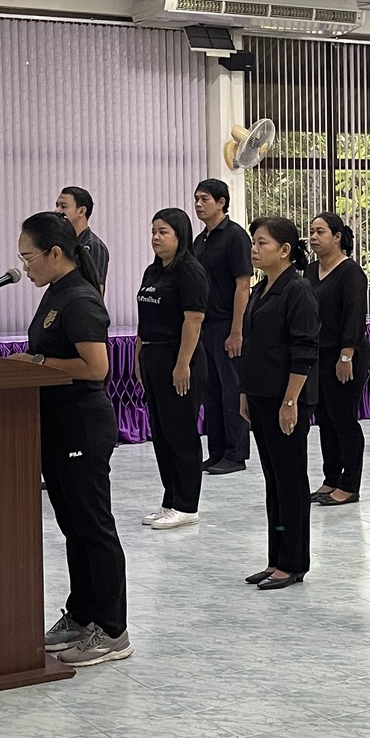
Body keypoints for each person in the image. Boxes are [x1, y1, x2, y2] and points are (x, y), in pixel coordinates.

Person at [17, 211, 129, 667]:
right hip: (56, 423)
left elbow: (96, 368)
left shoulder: (79, 297)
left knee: (94, 525)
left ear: (55, 253)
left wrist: (37, 364)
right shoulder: (55, 292)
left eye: (28, 257)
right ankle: (82, 615)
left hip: (81, 423)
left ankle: (113, 630)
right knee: (73, 527)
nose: (25, 267)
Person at [239, 217, 320, 589]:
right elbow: (254, 346)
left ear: (285, 250)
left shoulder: (297, 290)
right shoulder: (261, 289)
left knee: (290, 481)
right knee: (273, 480)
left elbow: (304, 350)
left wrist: (290, 401)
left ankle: (293, 562)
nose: (254, 249)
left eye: (262, 243)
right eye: (254, 242)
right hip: (260, 395)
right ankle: (276, 558)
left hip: (285, 399)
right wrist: (246, 391)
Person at [136, 208, 209, 530]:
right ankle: (170, 500)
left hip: (179, 357)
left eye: (163, 232)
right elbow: (144, 320)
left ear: (180, 236)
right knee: (162, 435)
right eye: (153, 231)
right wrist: (139, 358)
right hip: (152, 357)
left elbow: (193, 320)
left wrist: (182, 364)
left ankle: (187, 505)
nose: (156, 237)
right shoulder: (153, 271)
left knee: (181, 434)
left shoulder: (190, 271)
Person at [191, 180, 253, 476]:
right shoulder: (199, 240)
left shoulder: (235, 236)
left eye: (205, 199)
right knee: (211, 391)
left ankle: (235, 453)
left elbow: (243, 285)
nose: (198, 204)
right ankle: (216, 451)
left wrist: (237, 330)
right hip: (204, 325)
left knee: (231, 390)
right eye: (196, 199)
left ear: (221, 202)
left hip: (227, 323)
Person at [307, 213, 370, 506]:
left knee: (343, 419)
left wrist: (346, 354)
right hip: (317, 355)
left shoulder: (351, 272)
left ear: (337, 237)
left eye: (320, 232)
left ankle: (350, 484)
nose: (314, 237)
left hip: (345, 355)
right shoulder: (310, 271)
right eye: (312, 231)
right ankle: (330, 478)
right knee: (324, 419)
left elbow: (354, 317)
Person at [57, 185, 110, 285]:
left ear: (81, 211)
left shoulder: (94, 246)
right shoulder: (64, 243)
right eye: (57, 206)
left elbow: (96, 289)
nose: (57, 211)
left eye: (63, 206)